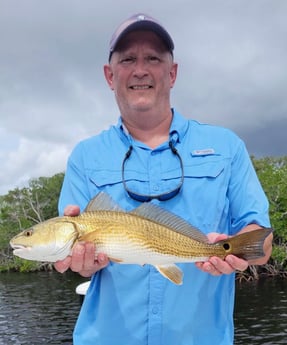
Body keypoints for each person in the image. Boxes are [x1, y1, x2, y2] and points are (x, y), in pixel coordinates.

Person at [55, 13, 273, 345]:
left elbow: (261, 243)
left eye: (153, 58)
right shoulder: (85, 156)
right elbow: (80, 266)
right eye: (127, 58)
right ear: (109, 75)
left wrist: (237, 253)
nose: (140, 69)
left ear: (172, 73)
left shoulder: (227, 146)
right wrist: (80, 263)